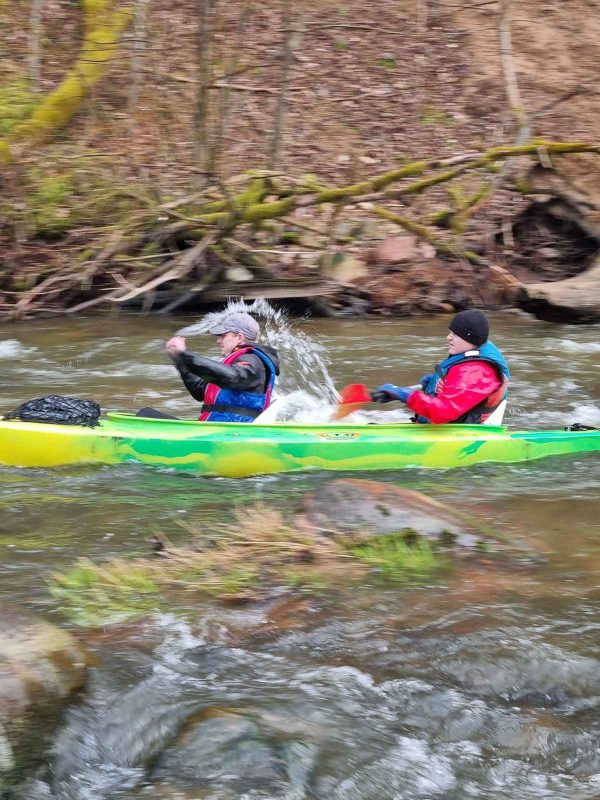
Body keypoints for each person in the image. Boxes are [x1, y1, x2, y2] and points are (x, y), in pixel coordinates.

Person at [371, 309, 510, 424]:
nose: (448, 337)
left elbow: (443, 411)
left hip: (460, 435)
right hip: (447, 428)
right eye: (450, 332)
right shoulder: (471, 357)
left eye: (455, 334)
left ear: (470, 338)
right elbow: (460, 388)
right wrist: (437, 383)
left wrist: (404, 395)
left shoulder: (475, 372)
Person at [166, 311, 280, 422]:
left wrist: (186, 354)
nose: (218, 340)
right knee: (149, 413)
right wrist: (179, 360)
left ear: (240, 338)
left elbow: (232, 377)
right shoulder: (234, 362)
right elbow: (199, 390)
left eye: (223, 336)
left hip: (235, 432)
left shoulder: (253, 360)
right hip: (216, 427)